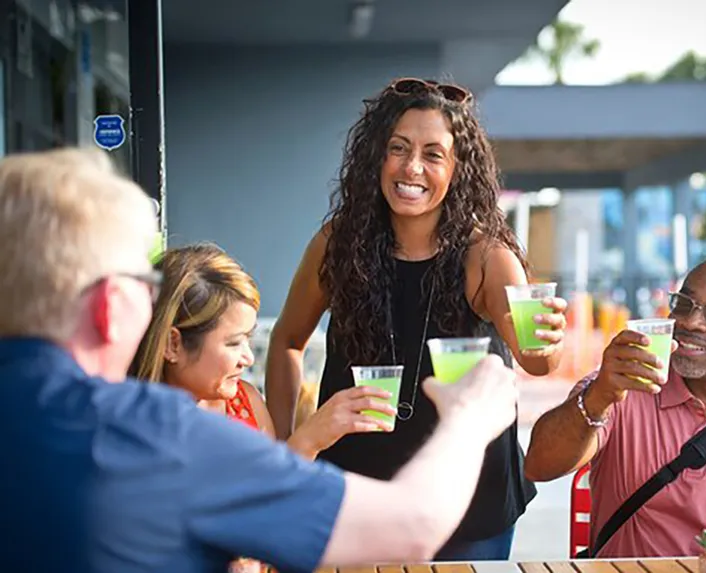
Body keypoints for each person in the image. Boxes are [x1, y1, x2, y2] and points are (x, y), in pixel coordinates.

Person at [0, 148, 519, 573]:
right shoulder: (154, 434)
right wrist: (469, 422)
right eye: (145, 282)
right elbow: (409, 527)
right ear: (111, 307)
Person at [265, 77, 567, 561]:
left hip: (468, 497)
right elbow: (286, 341)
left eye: (433, 154)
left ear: (457, 169)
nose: (412, 168)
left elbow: (536, 360)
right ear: (375, 158)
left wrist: (547, 338)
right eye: (398, 148)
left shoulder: (485, 257)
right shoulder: (337, 244)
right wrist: (285, 452)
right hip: (356, 490)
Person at [524, 253, 706, 558]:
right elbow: (539, 466)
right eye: (683, 304)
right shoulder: (621, 389)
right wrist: (599, 396)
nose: (690, 321)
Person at [130, 243, 395, 460]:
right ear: (172, 345)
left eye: (248, 338)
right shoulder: (132, 428)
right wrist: (308, 438)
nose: (249, 357)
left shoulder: (246, 402)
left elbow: (276, 502)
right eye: (233, 343)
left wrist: (315, 436)